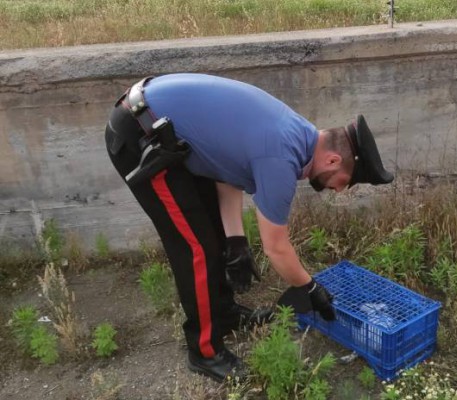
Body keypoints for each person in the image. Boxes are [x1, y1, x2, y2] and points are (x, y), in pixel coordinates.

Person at [104, 73, 394, 382]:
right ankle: (204, 352)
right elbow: (277, 247)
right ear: (334, 161)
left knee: (212, 237)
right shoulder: (282, 155)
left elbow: (226, 169)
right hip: (141, 135)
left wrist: (236, 241)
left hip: (162, 130)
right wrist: (310, 288)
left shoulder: (297, 133)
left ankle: (225, 315)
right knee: (197, 249)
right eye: (344, 184)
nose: (338, 191)